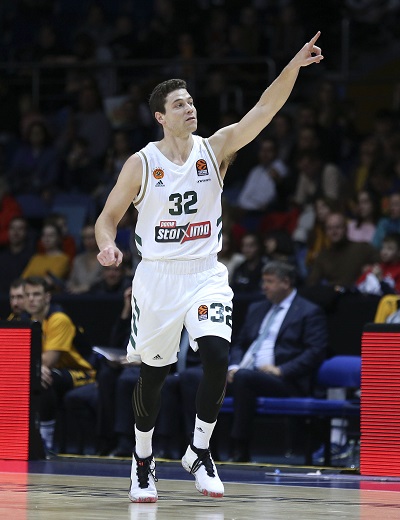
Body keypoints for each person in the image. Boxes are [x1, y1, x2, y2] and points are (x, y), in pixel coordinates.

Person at [95, 32, 324, 502]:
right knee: (154, 375)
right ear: (161, 117)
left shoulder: (215, 148)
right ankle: (142, 459)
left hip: (205, 272)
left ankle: (199, 450)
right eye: (179, 104)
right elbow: (107, 218)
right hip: (158, 275)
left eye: (191, 101)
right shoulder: (141, 164)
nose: (189, 108)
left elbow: (264, 109)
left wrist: (293, 67)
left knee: (218, 355)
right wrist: (106, 246)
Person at [227, 261, 327, 462]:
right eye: (263, 281)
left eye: (269, 282)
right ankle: (186, 447)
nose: (264, 287)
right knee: (191, 377)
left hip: (284, 379)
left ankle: (240, 447)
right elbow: (239, 343)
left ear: (286, 283)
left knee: (244, 378)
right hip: (245, 372)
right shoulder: (257, 308)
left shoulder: (308, 311)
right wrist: (234, 366)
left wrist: (282, 369)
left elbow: (315, 351)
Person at [23, 276, 96, 454]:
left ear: (47, 297)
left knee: (44, 377)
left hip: (82, 371)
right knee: (35, 374)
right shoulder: (22, 319)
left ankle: (45, 441)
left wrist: (30, 368)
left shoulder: (58, 318)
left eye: (36, 294)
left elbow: (48, 360)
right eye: (27, 295)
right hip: (49, 369)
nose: (31, 299)